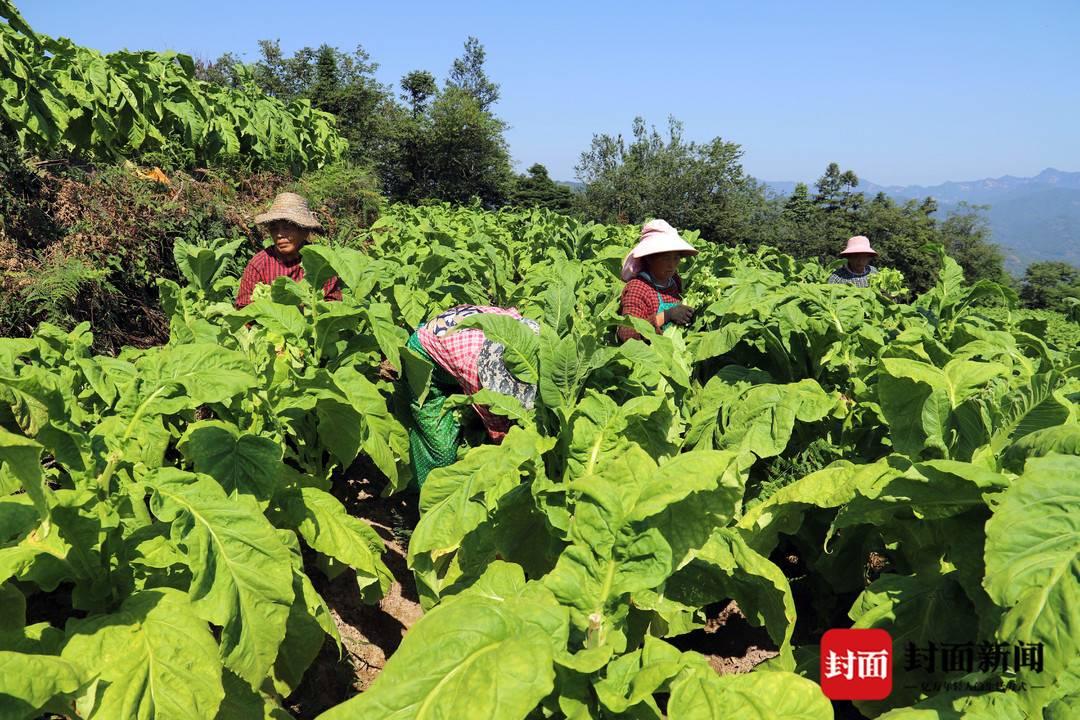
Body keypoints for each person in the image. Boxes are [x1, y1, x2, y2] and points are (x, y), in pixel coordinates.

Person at [403, 305, 539, 487]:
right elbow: (500, 434)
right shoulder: (472, 369)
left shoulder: (519, 332)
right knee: (440, 448)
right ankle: (423, 490)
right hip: (424, 355)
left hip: (453, 339)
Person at [236, 192, 342, 308]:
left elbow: (334, 306)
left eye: (287, 228)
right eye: (274, 229)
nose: (279, 234)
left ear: (304, 231)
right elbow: (244, 308)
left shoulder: (321, 263)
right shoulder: (259, 264)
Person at [617, 219, 699, 343]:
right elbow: (626, 333)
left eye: (676, 258)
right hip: (649, 357)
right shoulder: (638, 288)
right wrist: (666, 316)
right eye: (666, 258)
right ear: (649, 259)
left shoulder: (674, 281)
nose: (672, 265)